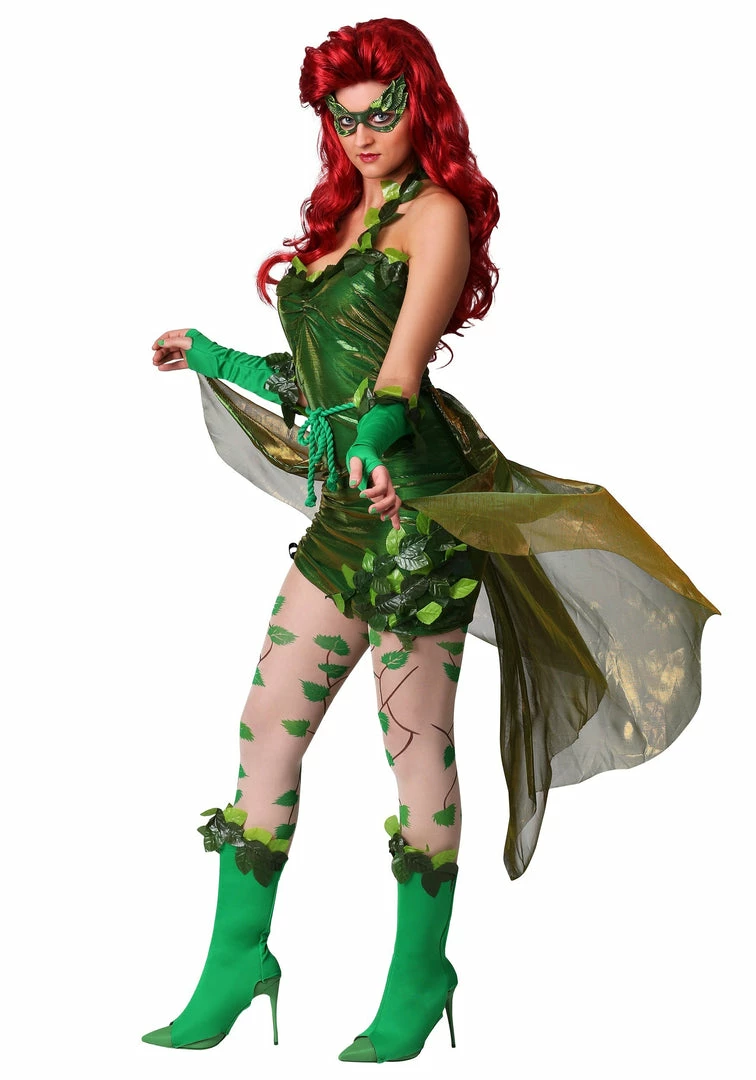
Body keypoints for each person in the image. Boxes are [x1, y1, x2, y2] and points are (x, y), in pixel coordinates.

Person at [143, 17, 718, 1064]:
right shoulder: (344, 221)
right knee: (267, 725)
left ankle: (419, 975)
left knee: (413, 748)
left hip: (417, 521)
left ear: (423, 107)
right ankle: (238, 959)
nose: (362, 135)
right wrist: (213, 354)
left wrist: (369, 441)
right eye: (342, 117)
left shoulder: (435, 215)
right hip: (346, 517)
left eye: (383, 112)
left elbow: (396, 381)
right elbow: (318, 378)